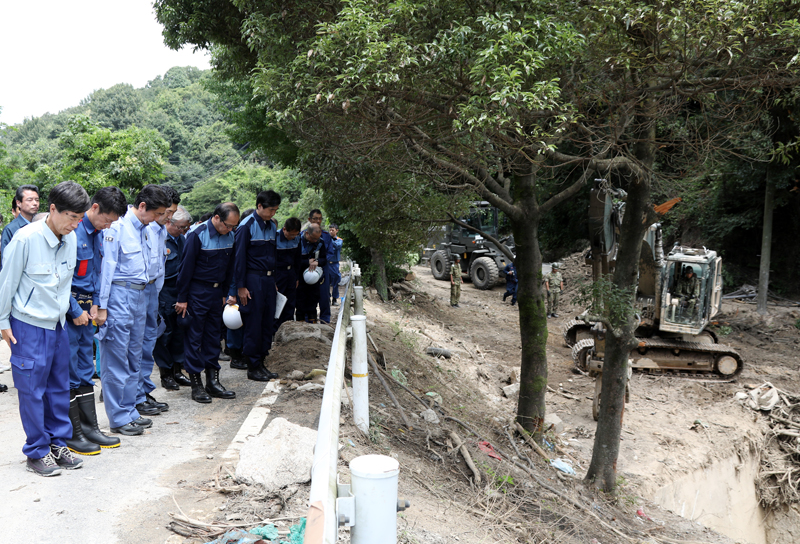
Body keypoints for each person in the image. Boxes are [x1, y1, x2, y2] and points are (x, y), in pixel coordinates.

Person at [0, 181, 91, 476]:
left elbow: (64, 286)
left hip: (57, 326)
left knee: (58, 390)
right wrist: (2, 322)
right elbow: (7, 284)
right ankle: (37, 451)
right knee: (31, 391)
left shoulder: (72, 238)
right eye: (70, 217)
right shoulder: (25, 240)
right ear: (52, 210)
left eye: (80, 218)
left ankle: (57, 443)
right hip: (27, 327)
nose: (75, 224)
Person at [97, 185, 170, 436]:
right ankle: (117, 417)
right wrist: (103, 306)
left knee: (134, 356)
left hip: (140, 294)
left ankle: (129, 410)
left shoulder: (146, 229)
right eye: (157, 214)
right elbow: (107, 268)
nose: (159, 219)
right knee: (116, 357)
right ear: (142, 207)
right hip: (119, 295)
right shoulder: (117, 227)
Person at [65, 187, 128, 455]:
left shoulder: (98, 235)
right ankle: (71, 432)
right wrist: (74, 309)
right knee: (68, 370)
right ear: (94, 208)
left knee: (84, 367)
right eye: (107, 219)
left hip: (86, 306)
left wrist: (94, 305)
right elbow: (63, 278)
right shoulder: (73, 232)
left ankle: (89, 428)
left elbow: (95, 273)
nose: (109, 225)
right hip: (69, 309)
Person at [176, 202, 240, 403]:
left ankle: (213, 381)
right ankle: (197, 384)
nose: (230, 230)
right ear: (216, 218)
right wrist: (182, 299)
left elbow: (230, 268)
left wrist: (224, 293)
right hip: (197, 292)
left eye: (233, 227)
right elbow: (185, 270)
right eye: (227, 225)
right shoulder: (197, 235)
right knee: (195, 338)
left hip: (216, 294)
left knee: (213, 337)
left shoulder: (230, 236)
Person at [133, 187, 179, 417]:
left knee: (148, 344)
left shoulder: (160, 229)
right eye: (166, 213)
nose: (169, 218)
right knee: (138, 346)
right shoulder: (143, 227)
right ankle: (136, 396)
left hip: (153, 290)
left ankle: (144, 391)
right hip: (139, 289)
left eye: (172, 213)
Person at [234, 191, 281, 382]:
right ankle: (252, 365)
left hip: (269, 281)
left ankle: (262, 362)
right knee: (253, 323)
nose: (273, 213)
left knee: (266, 322)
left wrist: (274, 281)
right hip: (253, 280)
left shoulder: (271, 227)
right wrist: (241, 287)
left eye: (276, 210)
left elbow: (272, 256)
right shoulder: (247, 226)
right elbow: (239, 259)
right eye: (270, 210)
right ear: (259, 206)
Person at [153, 206, 193, 390]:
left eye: (185, 228)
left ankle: (177, 370)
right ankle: (166, 374)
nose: (183, 231)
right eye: (181, 227)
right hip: (163, 293)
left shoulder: (182, 240)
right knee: (164, 334)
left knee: (179, 333)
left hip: (180, 292)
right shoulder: (159, 238)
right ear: (169, 222)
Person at [274, 217, 302, 332]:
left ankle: (288, 329)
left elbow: (298, 259)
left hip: (291, 274)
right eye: (290, 235)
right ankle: (275, 330)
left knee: (290, 302)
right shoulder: (275, 238)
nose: (292, 237)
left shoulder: (297, 239)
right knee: (278, 303)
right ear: (284, 229)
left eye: (295, 235)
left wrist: (297, 277)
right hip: (278, 273)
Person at [296, 224, 327, 323]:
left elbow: (324, 259)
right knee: (300, 302)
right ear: (306, 234)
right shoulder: (297, 241)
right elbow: (293, 261)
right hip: (299, 277)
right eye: (313, 239)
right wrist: (306, 262)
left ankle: (312, 324)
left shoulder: (320, 243)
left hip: (314, 277)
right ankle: (299, 326)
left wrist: (317, 262)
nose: (315, 241)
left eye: (317, 239)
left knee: (313, 301)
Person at [307, 210, 332, 323]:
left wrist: (319, 262)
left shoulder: (326, 236)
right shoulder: (304, 234)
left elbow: (330, 254)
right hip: (307, 270)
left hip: (323, 269)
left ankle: (325, 320)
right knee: (308, 296)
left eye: (320, 218)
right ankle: (308, 320)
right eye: (315, 218)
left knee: (324, 296)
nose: (318, 221)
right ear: (309, 220)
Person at [1, 184, 40, 254]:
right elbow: (5, 259)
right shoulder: (11, 229)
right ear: (18, 203)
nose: (35, 203)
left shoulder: (42, 225)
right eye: (30, 200)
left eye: (37, 200)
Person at [326, 224, 343, 306]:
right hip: (326, 264)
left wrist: (329, 240)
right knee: (326, 282)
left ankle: (335, 299)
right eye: (330, 230)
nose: (331, 232)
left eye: (332, 230)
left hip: (335, 264)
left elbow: (337, 246)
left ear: (337, 230)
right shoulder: (326, 239)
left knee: (335, 282)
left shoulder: (339, 240)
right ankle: (328, 299)